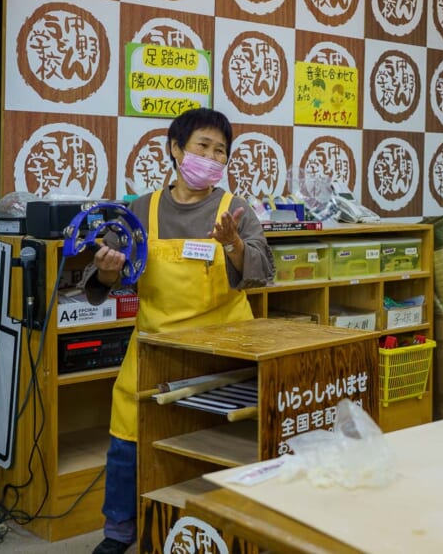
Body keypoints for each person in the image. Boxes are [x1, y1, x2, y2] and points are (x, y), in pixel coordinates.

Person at [87, 108, 274, 554]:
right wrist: (108, 270)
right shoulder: (139, 210)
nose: (210, 158)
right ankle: (118, 533)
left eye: (220, 151)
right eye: (202, 147)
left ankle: (221, 524)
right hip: (155, 345)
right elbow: (101, 284)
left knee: (222, 441)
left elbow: (263, 272)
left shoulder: (236, 210)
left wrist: (233, 244)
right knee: (127, 437)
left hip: (225, 349)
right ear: (175, 149)